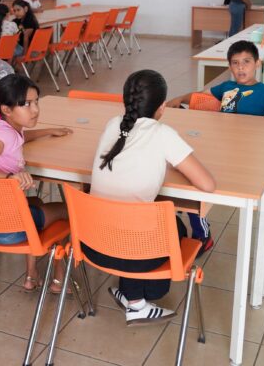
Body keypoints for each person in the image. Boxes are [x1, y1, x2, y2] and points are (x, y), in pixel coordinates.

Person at [88, 70, 216, 325]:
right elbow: (207, 184)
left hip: (94, 245)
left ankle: (129, 293)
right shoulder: (162, 133)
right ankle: (137, 304)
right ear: (162, 107)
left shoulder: (113, 124)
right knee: (175, 226)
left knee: (135, 220)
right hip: (133, 252)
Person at [167, 41, 264, 251]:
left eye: (246, 62)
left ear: (257, 64)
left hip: (247, 155)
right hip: (221, 148)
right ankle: (201, 231)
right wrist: (179, 98)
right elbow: (200, 96)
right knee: (191, 181)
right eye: (235, 63)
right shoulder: (226, 87)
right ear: (229, 66)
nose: (241, 67)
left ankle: (200, 234)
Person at [0, 73, 73, 292]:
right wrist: (9, 178)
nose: (35, 109)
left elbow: (19, 137)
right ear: (6, 109)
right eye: (26, 104)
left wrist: (49, 131)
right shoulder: (5, 137)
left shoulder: (5, 128)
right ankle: (59, 278)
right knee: (66, 210)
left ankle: (31, 275)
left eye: (36, 102)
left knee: (37, 201)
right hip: (5, 230)